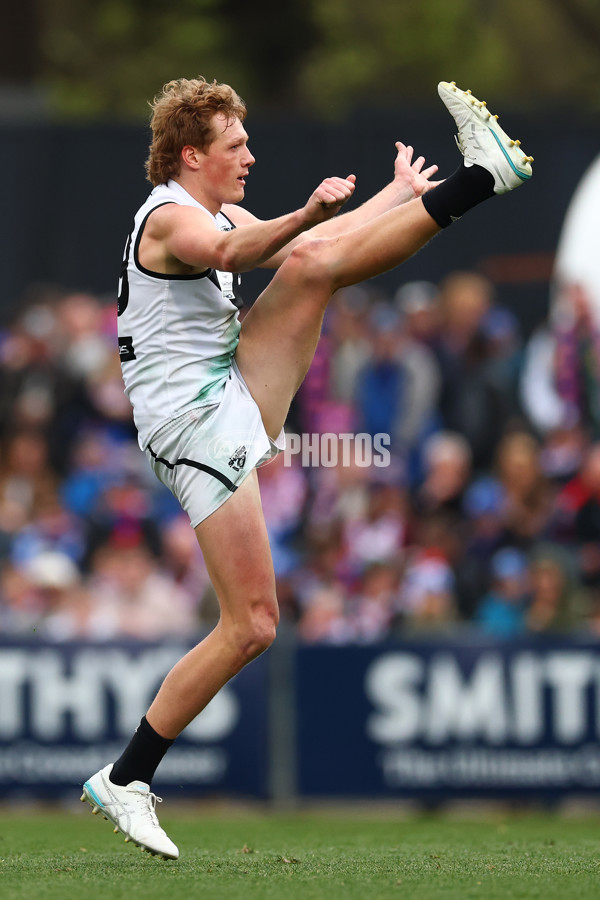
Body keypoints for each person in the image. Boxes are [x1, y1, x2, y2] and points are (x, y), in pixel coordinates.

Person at [81, 76, 533, 859]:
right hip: (194, 425)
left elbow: (304, 246)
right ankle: (126, 778)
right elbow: (235, 251)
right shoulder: (169, 219)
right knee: (253, 625)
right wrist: (310, 213)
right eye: (235, 145)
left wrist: (392, 194)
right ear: (192, 155)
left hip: (222, 392)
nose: (250, 155)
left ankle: (478, 178)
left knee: (311, 267)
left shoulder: (208, 209)